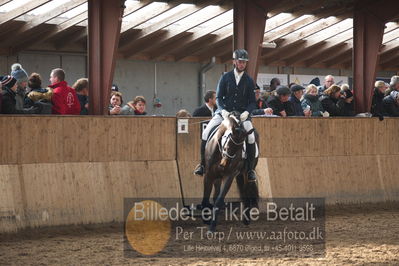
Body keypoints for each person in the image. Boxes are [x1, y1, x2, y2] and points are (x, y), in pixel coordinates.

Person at [193, 49, 257, 181]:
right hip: (224, 113)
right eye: (240, 62)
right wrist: (222, 110)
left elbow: (252, 102)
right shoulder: (225, 77)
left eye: (244, 62)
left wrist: (246, 113)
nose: (242, 64)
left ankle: (250, 169)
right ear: (234, 62)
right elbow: (219, 98)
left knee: (251, 137)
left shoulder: (249, 81)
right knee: (206, 133)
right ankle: (202, 165)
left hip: (241, 115)